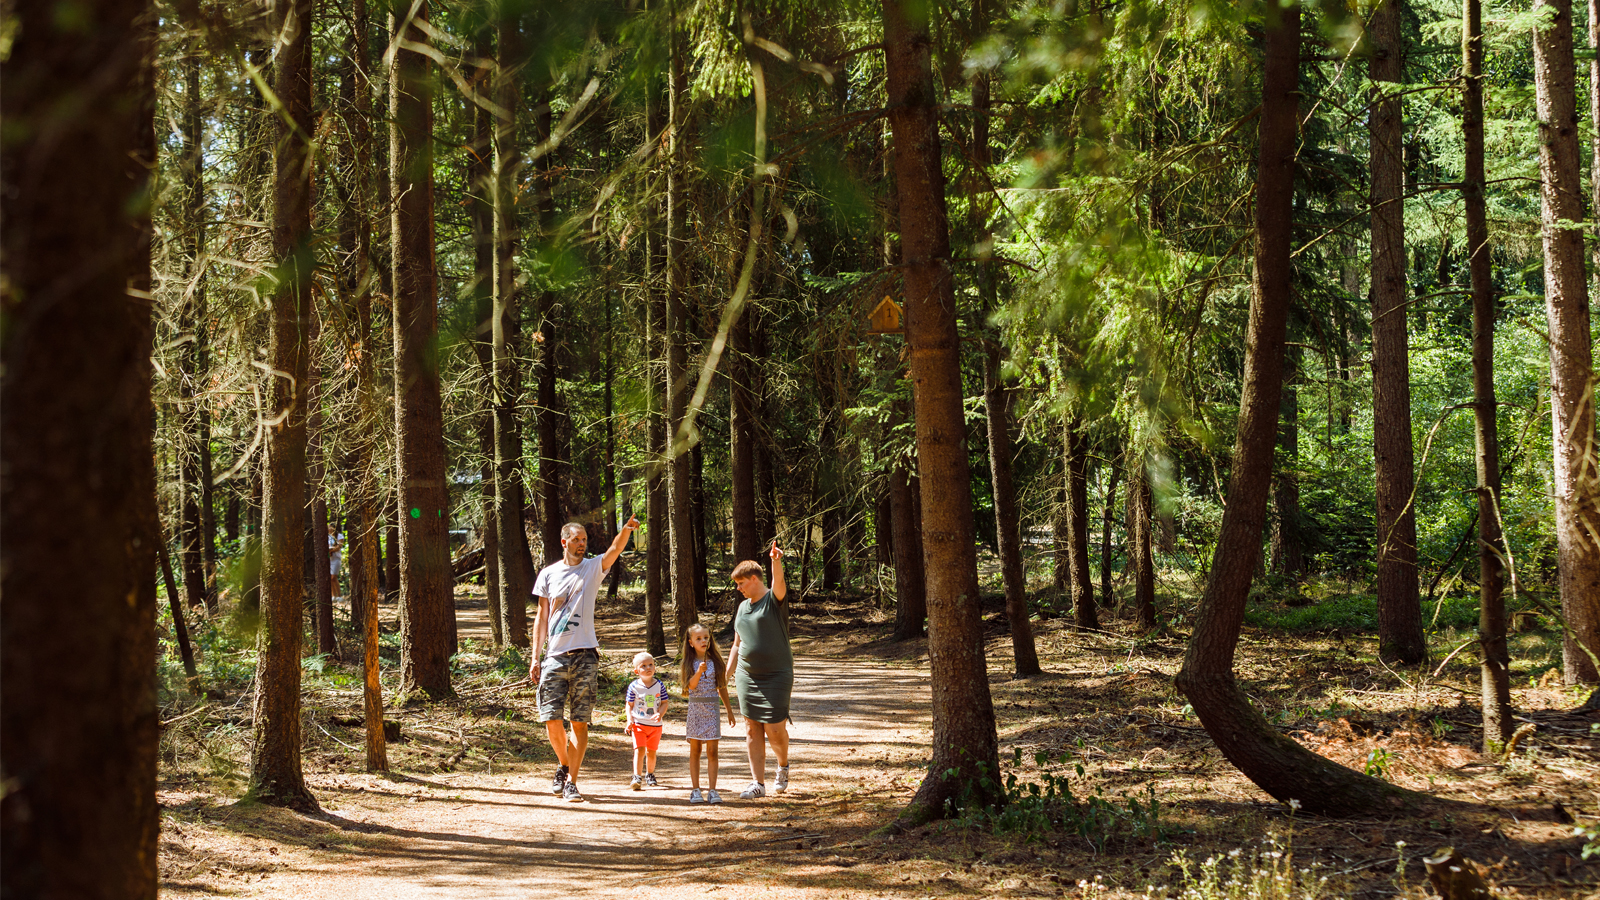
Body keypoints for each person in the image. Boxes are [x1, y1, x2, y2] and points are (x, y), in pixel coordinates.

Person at [532, 516, 638, 803]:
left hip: (586, 655)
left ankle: (571, 782)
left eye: (584, 540)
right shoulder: (548, 574)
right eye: (577, 540)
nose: (582, 544)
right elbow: (542, 617)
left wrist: (626, 531)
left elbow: (614, 550)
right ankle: (564, 765)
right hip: (554, 656)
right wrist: (535, 657)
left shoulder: (592, 568)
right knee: (551, 719)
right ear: (564, 542)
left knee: (579, 722)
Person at [725, 540, 792, 800]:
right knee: (752, 728)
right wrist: (727, 674)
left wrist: (776, 561)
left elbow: (779, 584)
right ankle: (757, 783)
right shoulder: (742, 607)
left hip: (777, 674)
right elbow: (737, 643)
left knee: (775, 730)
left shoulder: (773, 600)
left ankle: (783, 765)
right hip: (748, 675)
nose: (739, 589)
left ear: (754, 578)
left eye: (741, 583)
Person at [679, 622, 737, 804]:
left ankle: (713, 790)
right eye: (699, 638)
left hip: (712, 710)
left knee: (712, 752)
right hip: (696, 710)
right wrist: (698, 672)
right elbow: (690, 686)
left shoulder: (716, 662)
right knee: (695, 750)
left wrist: (729, 710)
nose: (703, 641)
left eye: (706, 637)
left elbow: (722, 687)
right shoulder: (689, 663)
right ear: (690, 642)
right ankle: (695, 789)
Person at [624, 652, 670, 791]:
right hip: (639, 723)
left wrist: (660, 714)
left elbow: (664, 702)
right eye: (643, 666)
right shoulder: (634, 686)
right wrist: (629, 719)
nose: (648, 668)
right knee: (639, 750)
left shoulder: (659, 685)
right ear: (636, 670)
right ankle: (636, 776)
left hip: (655, 725)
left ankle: (650, 774)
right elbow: (629, 704)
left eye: (651, 664)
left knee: (651, 751)